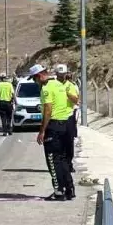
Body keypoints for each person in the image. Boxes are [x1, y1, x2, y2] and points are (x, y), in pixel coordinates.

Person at [29, 64, 75, 201]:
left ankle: (59, 191)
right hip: (65, 124)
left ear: (39, 76)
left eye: (34, 79)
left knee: (52, 161)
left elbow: (48, 110)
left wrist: (42, 131)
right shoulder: (58, 84)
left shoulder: (46, 88)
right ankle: (69, 189)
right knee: (62, 159)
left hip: (53, 126)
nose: (35, 82)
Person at [54, 63, 81, 174]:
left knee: (69, 142)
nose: (61, 76)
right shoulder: (52, 85)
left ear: (66, 74)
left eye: (63, 74)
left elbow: (76, 100)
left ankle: (69, 163)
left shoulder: (70, 85)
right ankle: (59, 164)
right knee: (57, 143)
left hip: (68, 117)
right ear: (56, 74)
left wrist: (66, 93)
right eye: (59, 74)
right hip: (56, 118)